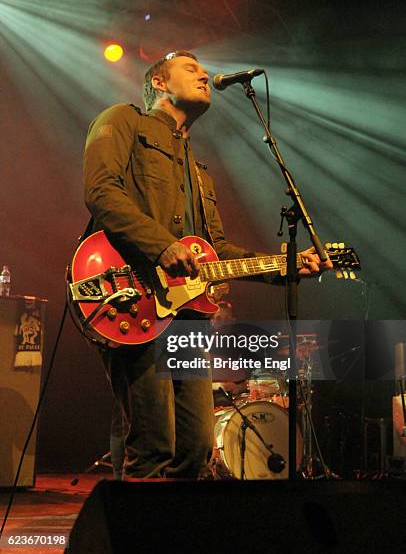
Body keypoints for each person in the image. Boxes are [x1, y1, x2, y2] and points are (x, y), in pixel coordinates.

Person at [83, 50, 332, 480]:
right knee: (153, 442)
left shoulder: (200, 174)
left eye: (203, 69)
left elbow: (216, 253)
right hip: (131, 297)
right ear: (159, 83)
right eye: (191, 68)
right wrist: (161, 246)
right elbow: (101, 192)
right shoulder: (124, 121)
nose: (204, 75)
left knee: (196, 446)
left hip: (187, 316)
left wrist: (286, 265)